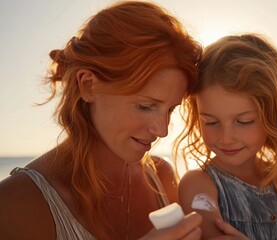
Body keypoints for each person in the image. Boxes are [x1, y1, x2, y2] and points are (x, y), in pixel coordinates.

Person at [0, 1, 208, 239]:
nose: (162, 131)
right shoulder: (15, 203)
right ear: (88, 85)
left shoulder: (161, 177)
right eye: (145, 106)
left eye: (171, 110)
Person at [175, 34, 277, 239]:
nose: (226, 138)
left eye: (243, 121)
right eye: (211, 122)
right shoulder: (200, 185)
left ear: (273, 115)